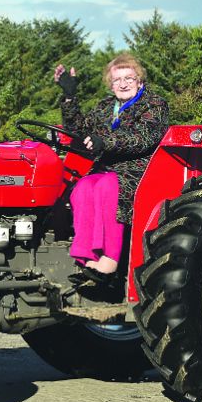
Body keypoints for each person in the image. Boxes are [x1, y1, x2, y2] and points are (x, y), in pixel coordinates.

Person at [55, 53, 168, 280]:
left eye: (129, 78)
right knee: (83, 187)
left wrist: (104, 142)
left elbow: (143, 137)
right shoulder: (106, 107)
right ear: (111, 84)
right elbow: (78, 130)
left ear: (140, 81)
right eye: (117, 80)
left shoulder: (153, 104)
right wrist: (69, 96)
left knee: (107, 187)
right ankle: (87, 258)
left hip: (140, 169)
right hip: (107, 168)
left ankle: (110, 261)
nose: (123, 84)